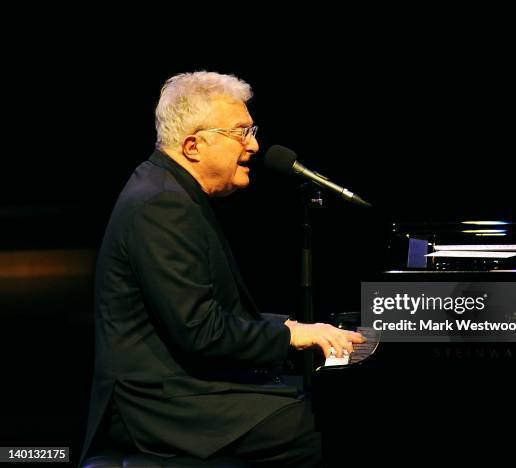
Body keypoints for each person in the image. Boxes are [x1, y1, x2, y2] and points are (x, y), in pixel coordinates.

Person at [80, 71, 364, 467]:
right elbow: (200, 330)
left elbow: (211, 316)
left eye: (252, 130)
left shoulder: (172, 191)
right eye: (241, 133)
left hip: (178, 385)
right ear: (194, 145)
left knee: (308, 400)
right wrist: (292, 335)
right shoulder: (162, 205)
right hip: (156, 404)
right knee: (314, 422)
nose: (255, 145)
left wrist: (293, 330)